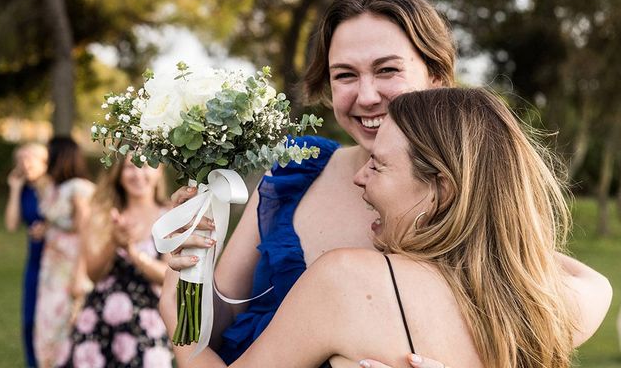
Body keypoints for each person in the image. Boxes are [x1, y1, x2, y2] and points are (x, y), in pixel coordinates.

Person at [163, 88, 612, 367]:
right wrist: (492, 221)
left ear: (444, 189)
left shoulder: (346, 282)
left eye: (378, 165)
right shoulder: (557, 305)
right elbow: (595, 281)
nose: (358, 176)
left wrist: (178, 299)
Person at [165, 0, 457, 366]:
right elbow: (223, 319)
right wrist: (188, 273)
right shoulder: (296, 170)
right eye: (345, 75)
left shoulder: (472, 193)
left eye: (387, 70)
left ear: (435, 75)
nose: (366, 96)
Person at [56, 157, 174, 367]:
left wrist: (132, 252)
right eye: (130, 166)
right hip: (99, 320)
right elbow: (93, 274)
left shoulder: (171, 216)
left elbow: (169, 276)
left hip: (148, 323)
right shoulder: (104, 214)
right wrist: (114, 242)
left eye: (146, 165)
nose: (138, 174)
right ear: (119, 173)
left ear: (159, 170)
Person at [34, 136, 95, 368]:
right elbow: (62, 220)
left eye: (48, 154)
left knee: (65, 325)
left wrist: (80, 274)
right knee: (48, 323)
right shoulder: (56, 186)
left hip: (70, 267)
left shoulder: (79, 188)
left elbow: (85, 230)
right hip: (52, 267)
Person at [5, 142, 48, 368]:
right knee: (29, 319)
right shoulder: (24, 190)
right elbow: (11, 224)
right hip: (34, 261)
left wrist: (48, 227)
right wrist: (14, 188)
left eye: (30, 158)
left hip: (56, 259)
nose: (25, 163)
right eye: (21, 159)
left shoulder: (54, 187)